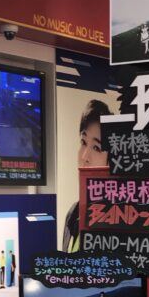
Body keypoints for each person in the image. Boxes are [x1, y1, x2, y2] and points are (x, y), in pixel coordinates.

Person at [62, 99, 111, 252]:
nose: (84, 156)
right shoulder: (73, 213)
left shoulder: (119, 220)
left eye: (96, 148)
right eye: (83, 142)